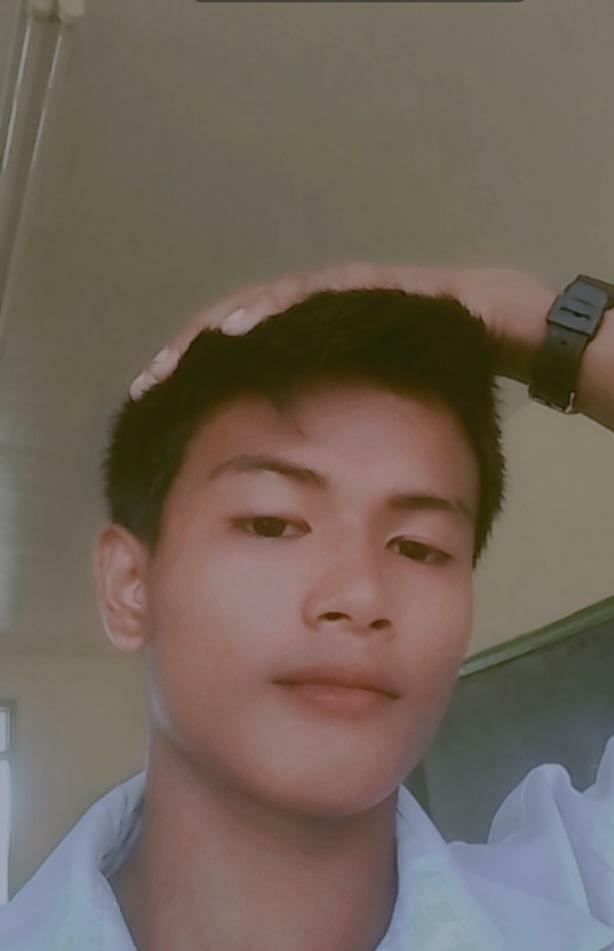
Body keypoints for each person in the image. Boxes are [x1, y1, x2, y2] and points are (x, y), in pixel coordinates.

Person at [1, 261, 613, 951]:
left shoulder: (576, 908)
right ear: (129, 584)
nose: (360, 596)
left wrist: (526, 322)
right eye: (272, 524)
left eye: (418, 547)